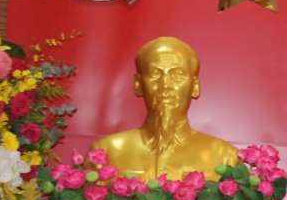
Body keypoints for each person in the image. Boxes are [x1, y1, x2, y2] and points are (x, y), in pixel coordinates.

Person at [92, 36, 240, 179]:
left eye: (177, 75)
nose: (165, 85)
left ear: (194, 86)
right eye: (155, 74)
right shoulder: (106, 152)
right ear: (138, 84)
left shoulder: (224, 157)